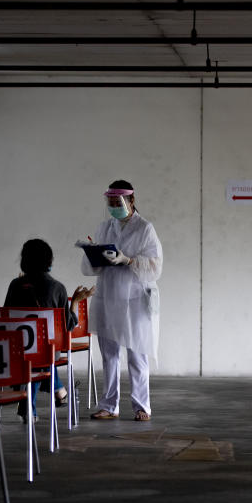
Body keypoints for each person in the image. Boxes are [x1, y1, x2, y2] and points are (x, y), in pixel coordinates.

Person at [81, 180, 162, 421]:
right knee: (109, 355)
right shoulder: (105, 227)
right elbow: (91, 267)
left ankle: (141, 406)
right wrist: (93, 253)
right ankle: (109, 405)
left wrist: (127, 260)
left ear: (131, 201)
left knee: (137, 354)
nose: (114, 207)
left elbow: (155, 267)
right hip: (108, 296)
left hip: (135, 299)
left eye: (119, 202)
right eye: (111, 203)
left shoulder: (145, 229)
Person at [4, 238, 94, 419]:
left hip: (17, 349)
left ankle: (41, 399)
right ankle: (56, 392)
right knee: (43, 357)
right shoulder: (57, 288)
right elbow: (68, 326)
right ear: (49, 261)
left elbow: (6, 318)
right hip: (47, 351)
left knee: (33, 357)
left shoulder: (15, 285)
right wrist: (75, 302)